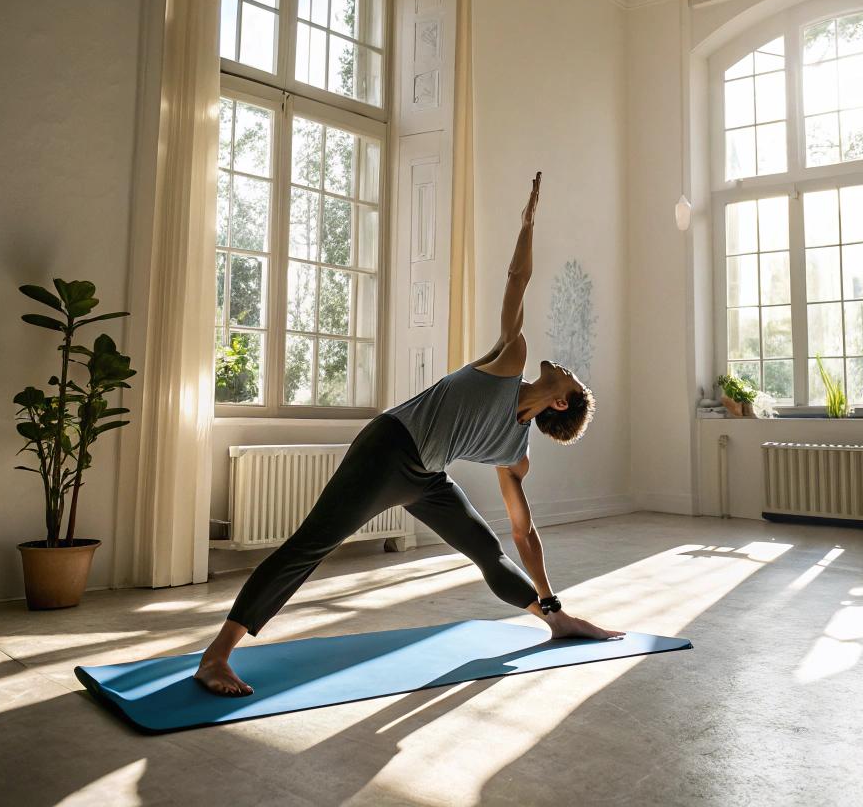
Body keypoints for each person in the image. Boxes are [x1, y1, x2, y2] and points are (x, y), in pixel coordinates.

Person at [195, 172, 622, 696]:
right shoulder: (511, 358)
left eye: (571, 377)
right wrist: (527, 225)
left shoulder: (515, 452)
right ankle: (216, 657)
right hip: (388, 447)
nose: (563, 365)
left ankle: (555, 620)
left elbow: (522, 533)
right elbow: (517, 279)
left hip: (425, 476)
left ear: (561, 401)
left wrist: (552, 598)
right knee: (312, 544)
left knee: (487, 550)